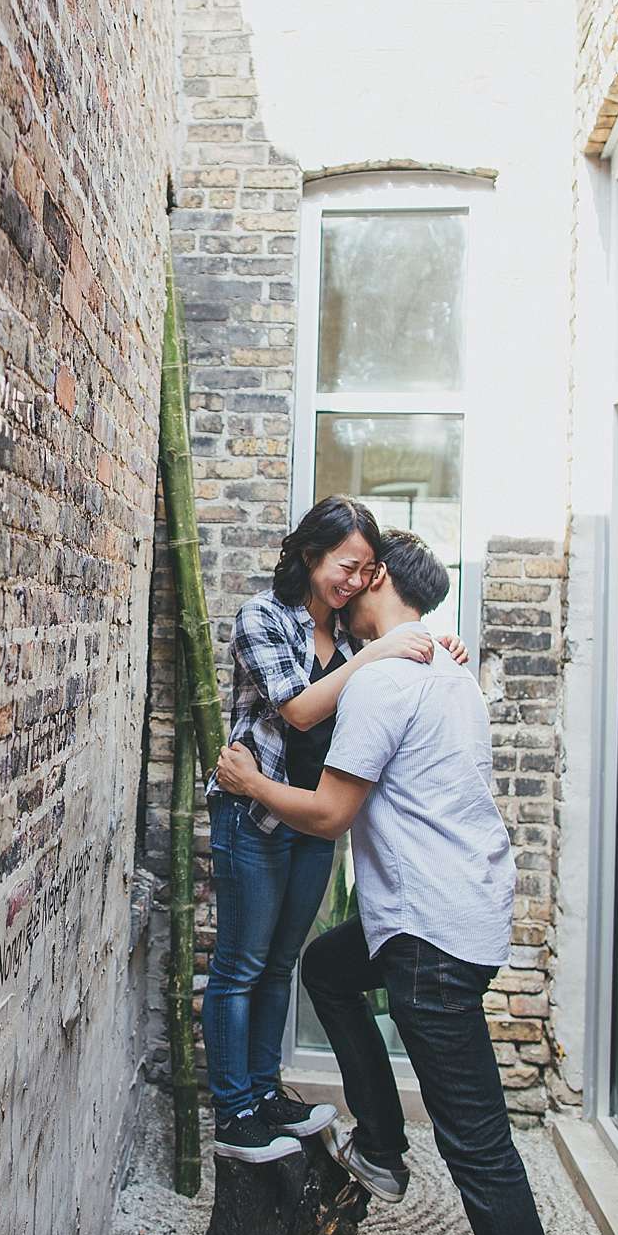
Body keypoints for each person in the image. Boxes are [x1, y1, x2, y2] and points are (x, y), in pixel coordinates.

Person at [216, 529, 546, 1235]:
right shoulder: (448, 668)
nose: (346, 589)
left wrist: (251, 782)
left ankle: (387, 1147)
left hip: (430, 933)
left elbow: (331, 814)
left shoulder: (384, 679)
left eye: (362, 572)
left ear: (381, 578)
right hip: (456, 910)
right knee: (328, 968)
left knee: (479, 1148)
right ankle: (382, 1146)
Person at [201, 496, 466, 1164]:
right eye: (346, 566)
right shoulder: (263, 616)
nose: (354, 582)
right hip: (252, 810)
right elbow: (297, 710)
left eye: (366, 570)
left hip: (311, 818)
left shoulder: (351, 632)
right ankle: (234, 1111)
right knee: (240, 965)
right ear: (309, 554)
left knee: (281, 964)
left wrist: (439, 644)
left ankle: (265, 1093)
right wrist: (374, 657)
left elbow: (394, 651)